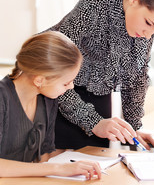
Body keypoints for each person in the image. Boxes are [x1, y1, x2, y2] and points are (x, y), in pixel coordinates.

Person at [48, 0, 154, 152]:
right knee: (59, 170)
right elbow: (53, 69)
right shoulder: (97, 3)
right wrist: (93, 121)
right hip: (56, 90)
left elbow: (137, 75)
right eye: (149, 23)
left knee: (96, 166)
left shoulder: (146, 26)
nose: (148, 35)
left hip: (97, 94)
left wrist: (135, 126)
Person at [0, 31, 102, 180]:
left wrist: (74, 166)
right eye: (66, 83)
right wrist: (58, 168)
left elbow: (44, 157)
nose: (71, 87)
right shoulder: (3, 99)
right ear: (40, 80)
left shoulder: (48, 99)